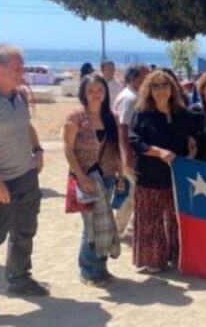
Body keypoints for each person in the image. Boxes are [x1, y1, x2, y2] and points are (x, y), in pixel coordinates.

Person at [0, 43, 49, 296]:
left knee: (24, 230)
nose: (23, 72)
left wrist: (37, 150)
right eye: (17, 68)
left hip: (25, 176)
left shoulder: (18, 96)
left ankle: (19, 279)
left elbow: (26, 126)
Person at [129, 70, 199, 273]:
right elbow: (134, 140)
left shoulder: (182, 113)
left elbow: (192, 134)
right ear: (149, 90)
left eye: (164, 85)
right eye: (156, 86)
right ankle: (153, 260)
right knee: (151, 220)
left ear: (172, 88)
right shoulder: (142, 113)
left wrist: (192, 142)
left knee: (175, 220)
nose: (161, 90)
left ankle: (176, 257)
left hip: (176, 177)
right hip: (150, 175)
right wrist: (158, 152)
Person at [63, 73, 123, 286]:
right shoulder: (76, 117)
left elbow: (116, 149)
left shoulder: (111, 117)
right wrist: (80, 176)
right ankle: (88, 271)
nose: (96, 94)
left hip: (107, 175)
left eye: (100, 90)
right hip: (86, 177)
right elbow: (68, 150)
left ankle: (101, 268)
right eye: (91, 90)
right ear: (83, 93)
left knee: (104, 223)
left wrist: (121, 175)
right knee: (91, 225)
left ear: (105, 93)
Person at [112, 63, 150, 238]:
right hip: (129, 153)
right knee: (132, 193)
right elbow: (123, 128)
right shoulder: (130, 98)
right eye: (145, 76)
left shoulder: (131, 95)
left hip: (128, 152)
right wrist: (126, 155)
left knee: (134, 193)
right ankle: (117, 229)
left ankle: (127, 228)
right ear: (135, 79)